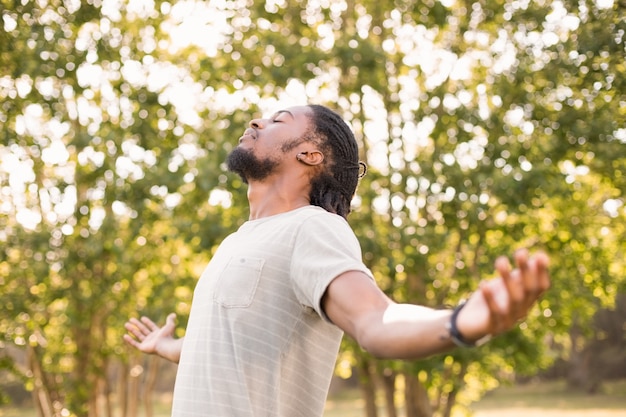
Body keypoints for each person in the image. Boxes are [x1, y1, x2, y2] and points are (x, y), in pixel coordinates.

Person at [123, 104, 550, 417]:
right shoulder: (238, 242)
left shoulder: (312, 228)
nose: (255, 122)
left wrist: (456, 324)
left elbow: (375, 319)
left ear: (310, 154)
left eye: (278, 121)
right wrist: (167, 346)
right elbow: (232, 347)